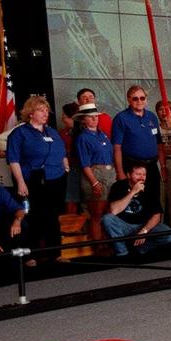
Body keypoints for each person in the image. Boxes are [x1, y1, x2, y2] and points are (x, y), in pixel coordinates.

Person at [6, 95, 68, 258]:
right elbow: (13, 160)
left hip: (55, 179)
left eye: (46, 110)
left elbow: (61, 152)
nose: (45, 113)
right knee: (34, 216)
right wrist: (20, 182)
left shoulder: (52, 132)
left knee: (53, 216)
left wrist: (65, 164)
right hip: (33, 179)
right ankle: (31, 255)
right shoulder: (20, 133)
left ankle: (55, 254)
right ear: (30, 113)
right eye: (41, 110)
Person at [102, 163, 171, 258]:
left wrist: (144, 231)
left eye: (144, 175)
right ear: (128, 175)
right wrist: (133, 192)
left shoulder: (150, 188)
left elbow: (157, 215)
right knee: (107, 219)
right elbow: (113, 211)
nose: (141, 177)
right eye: (138, 174)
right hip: (124, 226)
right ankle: (122, 254)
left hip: (143, 225)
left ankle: (140, 249)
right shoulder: (118, 186)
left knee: (169, 234)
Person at [111, 86, 166, 202]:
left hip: (152, 166)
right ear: (129, 100)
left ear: (146, 99)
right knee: (135, 201)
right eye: (135, 99)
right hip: (132, 167)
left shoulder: (152, 117)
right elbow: (117, 148)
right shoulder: (121, 118)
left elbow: (159, 144)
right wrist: (120, 172)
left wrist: (163, 166)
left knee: (154, 200)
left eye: (142, 98)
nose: (139, 101)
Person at [75, 104, 115, 247]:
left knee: (108, 212)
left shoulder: (102, 134)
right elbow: (85, 164)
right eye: (89, 117)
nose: (94, 119)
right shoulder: (83, 138)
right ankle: (98, 246)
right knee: (96, 214)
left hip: (110, 174)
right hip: (95, 174)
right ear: (83, 120)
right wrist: (94, 182)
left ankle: (108, 243)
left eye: (95, 116)